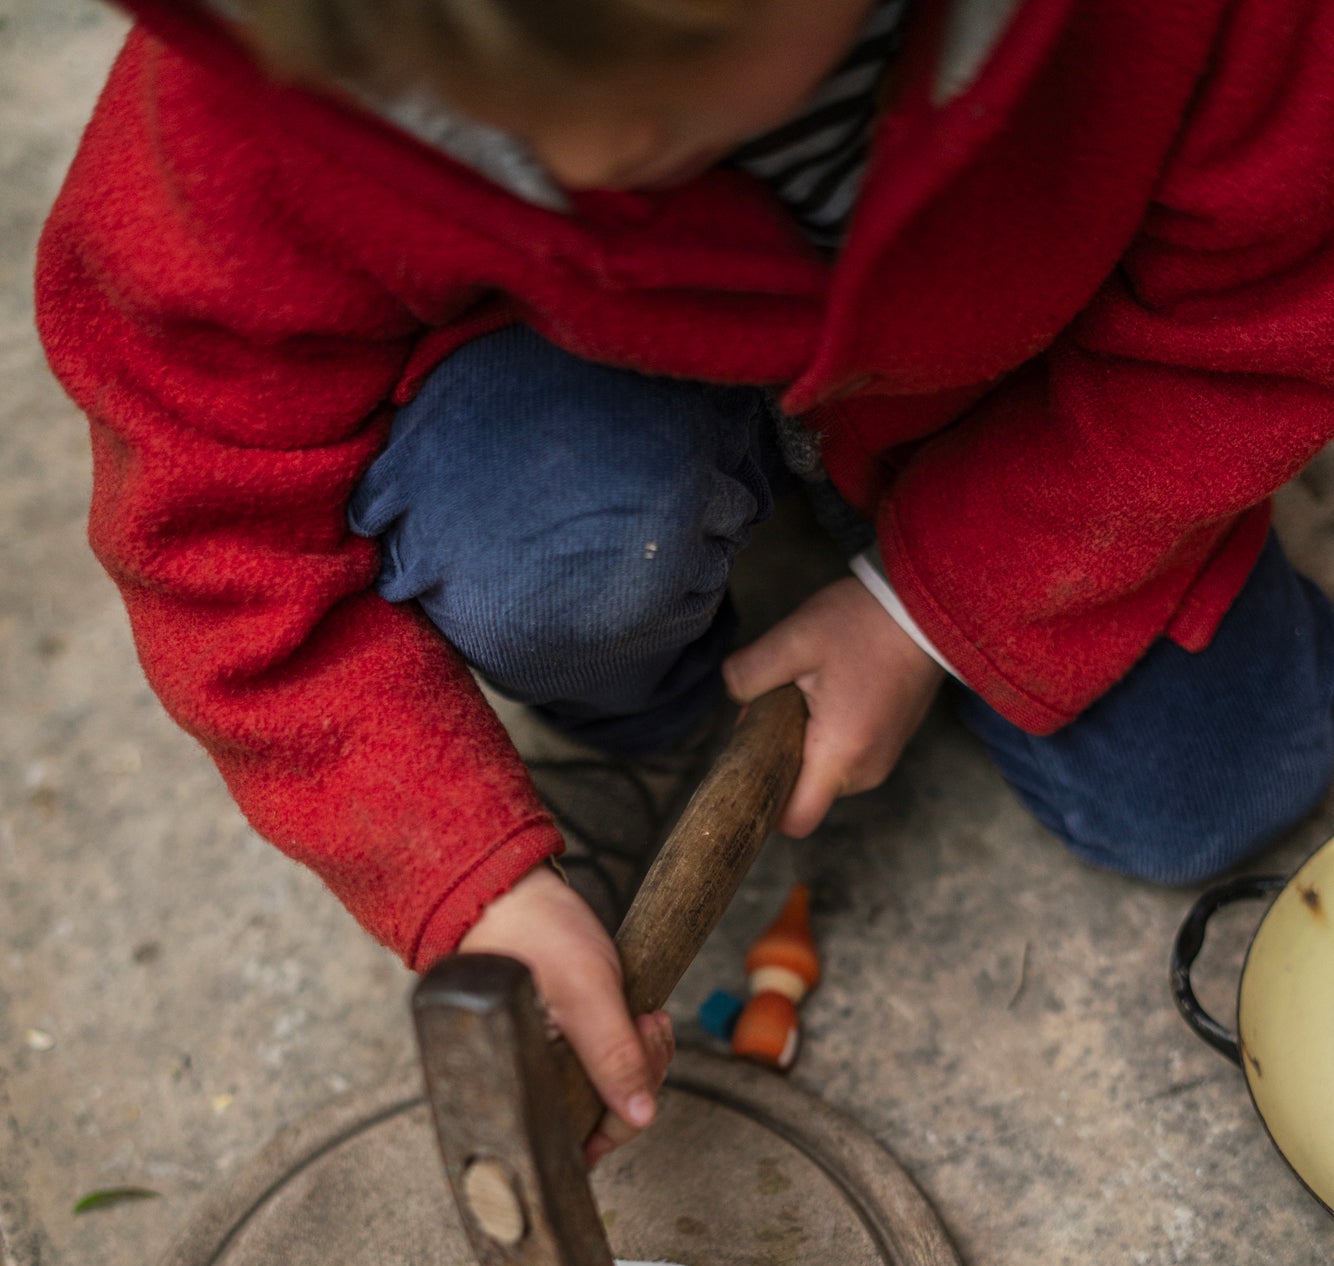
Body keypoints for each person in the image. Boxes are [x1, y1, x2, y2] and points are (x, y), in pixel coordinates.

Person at [37, 0, 1334, 1156]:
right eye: (495, 126)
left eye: (669, 84)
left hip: (1006, 369)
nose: (593, 159)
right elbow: (203, 506)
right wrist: (453, 861)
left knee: (1208, 791)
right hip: (579, 366)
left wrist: (931, 607)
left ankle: (868, 525)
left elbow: (1253, 319)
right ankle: (655, 704)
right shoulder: (274, 66)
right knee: (554, 569)